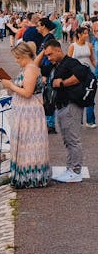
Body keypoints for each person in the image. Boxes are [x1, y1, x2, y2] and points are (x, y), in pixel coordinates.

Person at [0, 41, 51, 189]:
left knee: (28, 144)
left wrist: (10, 85)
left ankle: (30, 177)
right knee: (25, 143)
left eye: (17, 58)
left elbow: (27, 92)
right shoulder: (29, 68)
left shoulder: (30, 69)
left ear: (23, 55)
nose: (16, 61)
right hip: (26, 111)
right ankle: (27, 175)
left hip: (30, 112)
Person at [43, 39, 87, 182]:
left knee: (73, 140)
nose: (49, 58)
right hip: (62, 106)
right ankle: (71, 169)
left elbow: (82, 75)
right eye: (46, 56)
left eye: (50, 54)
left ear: (58, 50)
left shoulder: (70, 62)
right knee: (68, 140)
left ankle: (75, 171)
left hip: (71, 105)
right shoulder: (58, 64)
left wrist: (62, 83)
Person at [69, 26, 97, 128]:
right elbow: (69, 61)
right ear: (79, 34)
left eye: (87, 33)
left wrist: (96, 68)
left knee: (90, 96)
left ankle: (90, 121)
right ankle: (77, 121)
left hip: (88, 73)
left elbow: (93, 59)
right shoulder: (73, 46)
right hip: (76, 74)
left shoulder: (89, 45)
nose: (86, 35)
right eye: (84, 33)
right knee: (78, 97)